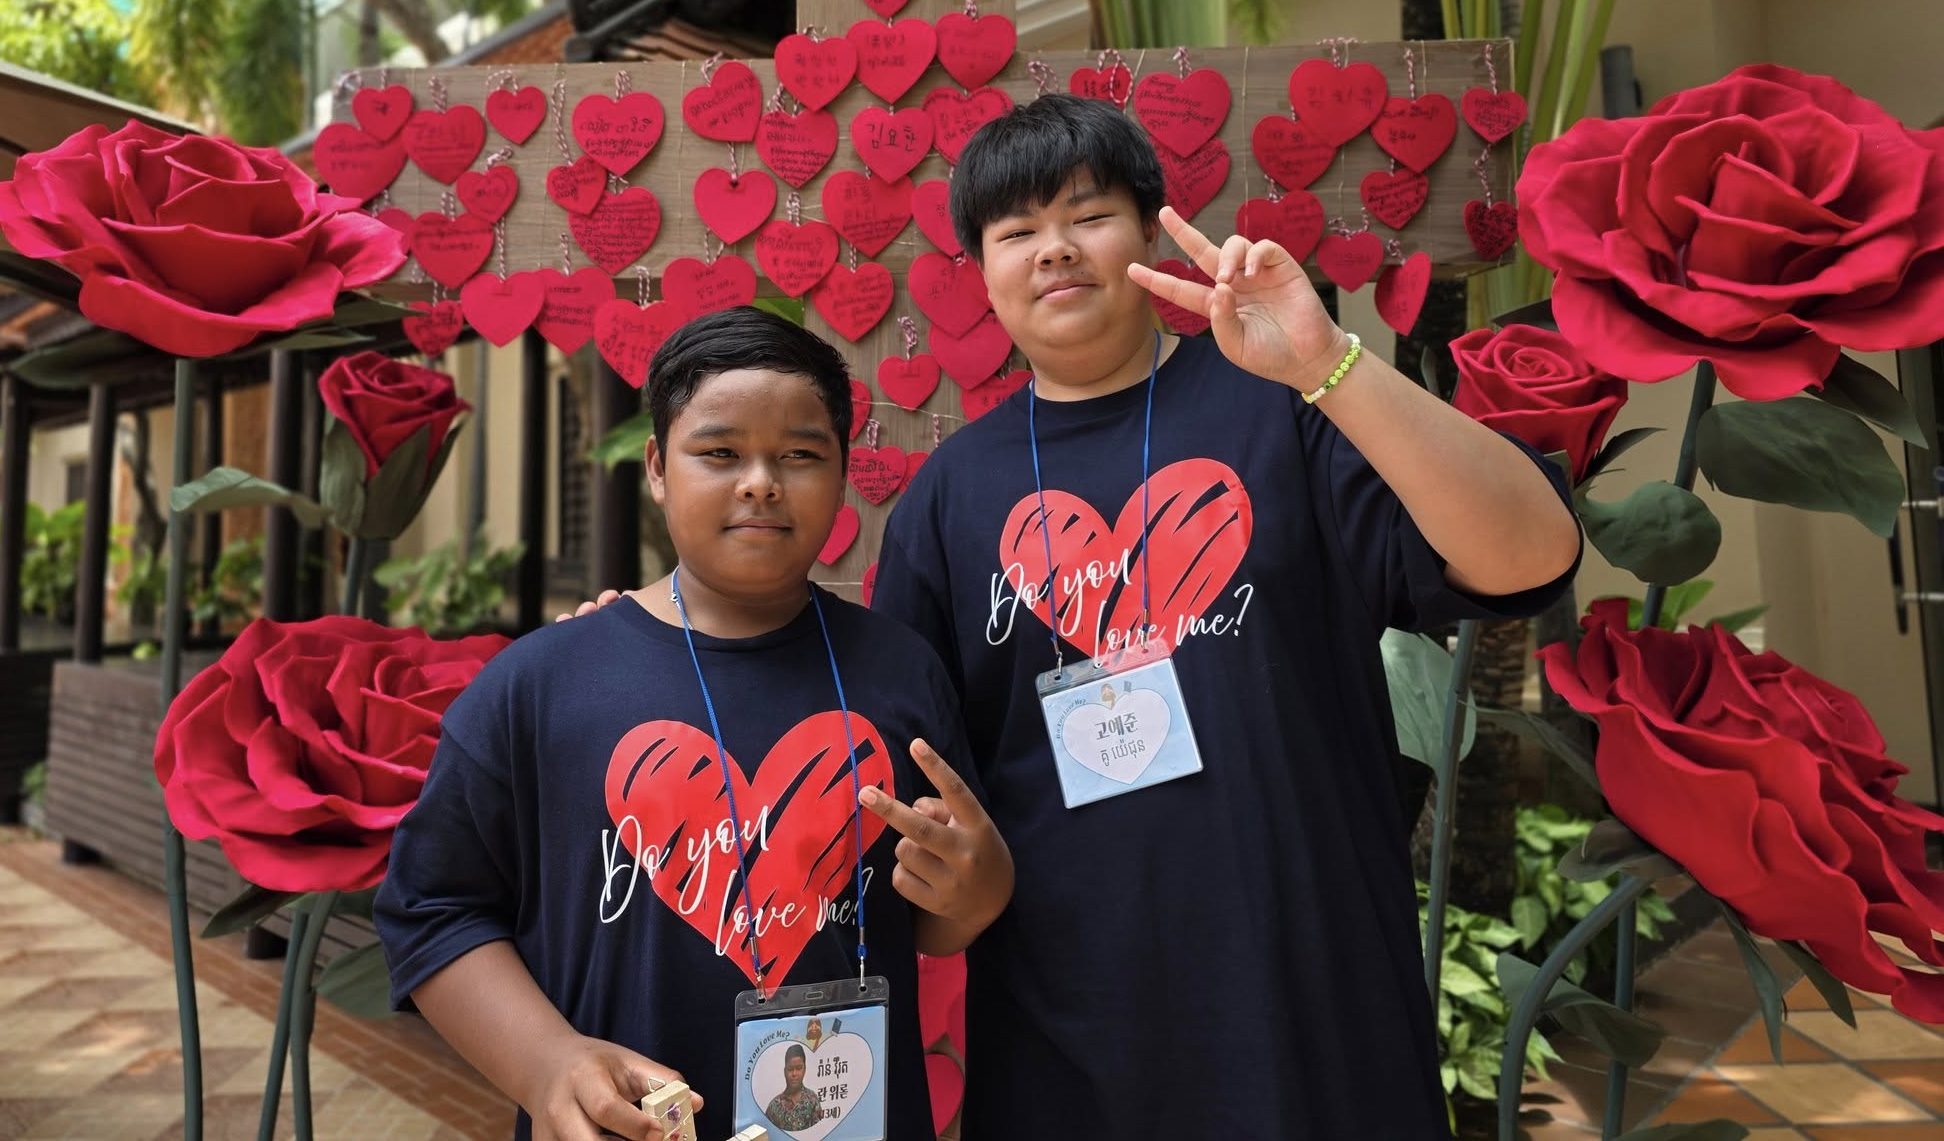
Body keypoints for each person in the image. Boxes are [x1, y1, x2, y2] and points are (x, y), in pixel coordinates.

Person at [866, 95, 1583, 1137]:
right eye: (1016, 232)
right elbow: (909, 780)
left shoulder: (1287, 410)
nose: (1055, 249)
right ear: (980, 271)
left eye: (1088, 215)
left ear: (1150, 232)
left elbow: (1531, 556)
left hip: (1314, 999)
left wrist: (1329, 366)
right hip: (1070, 1032)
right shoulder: (946, 499)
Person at [376, 307, 1014, 1141]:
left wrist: (979, 890)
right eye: (719, 453)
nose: (761, 482)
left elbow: (931, 913)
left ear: (842, 474)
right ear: (656, 467)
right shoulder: (540, 686)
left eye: (801, 455)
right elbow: (432, 910)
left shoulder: (902, 672)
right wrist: (546, 1063)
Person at [763, 1045, 823, 1133]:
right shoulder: (774, 1106)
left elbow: (819, 1132)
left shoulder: (812, 1100)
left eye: (798, 1068)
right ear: (785, 1072)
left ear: (804, 1070)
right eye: (790, 1069)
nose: (794, 1074)